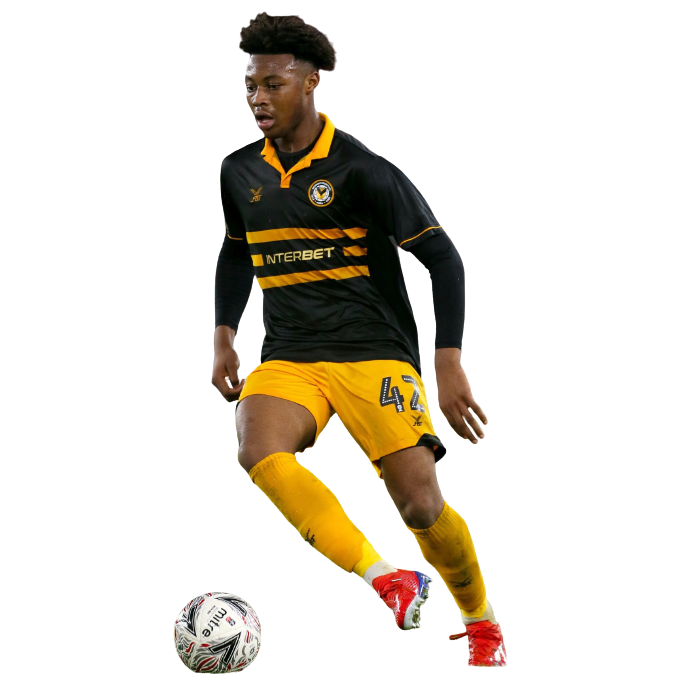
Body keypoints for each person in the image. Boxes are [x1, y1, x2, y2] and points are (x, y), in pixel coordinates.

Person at [212, 12, 506, 667]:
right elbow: (236, 251)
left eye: (273, 84)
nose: (259, 98)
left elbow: (442, 258)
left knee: (420, 507)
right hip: (290, 355)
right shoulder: (238, 171)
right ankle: (386, 578)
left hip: (373, 353)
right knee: (257, 449)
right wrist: (225, 336)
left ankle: (480, 620)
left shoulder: (362, 169)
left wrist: (449, 364)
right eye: (250, 85)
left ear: (311, 82)